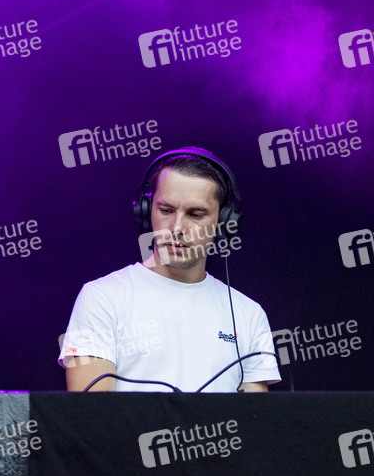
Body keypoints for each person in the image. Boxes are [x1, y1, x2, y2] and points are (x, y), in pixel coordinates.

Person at [59, 147, 280, 392]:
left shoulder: (248, 315)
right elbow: (91, 411)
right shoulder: (102, 298)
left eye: (195, 214)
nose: (176, 228)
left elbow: (254, 414)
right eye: (166, 210)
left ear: (224, 221)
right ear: (146, 210)